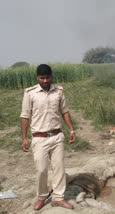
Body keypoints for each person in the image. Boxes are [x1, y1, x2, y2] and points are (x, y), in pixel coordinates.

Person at [20, 64, 76, 210]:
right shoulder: (30, 93)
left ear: (51, 76)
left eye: (47, 77)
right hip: (39, 138)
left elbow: (64, 111)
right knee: (41, 170)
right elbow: (25, 116)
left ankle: (58, 197)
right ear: (37, 77)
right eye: (42, 78)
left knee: (59, 168)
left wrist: (71, 130)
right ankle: (42, 196)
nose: (45, 81)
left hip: (57, 136)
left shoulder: (59, 91)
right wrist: (24, 138)